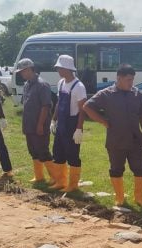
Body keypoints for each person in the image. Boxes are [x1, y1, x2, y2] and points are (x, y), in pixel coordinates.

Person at [83, 64, 142, 208]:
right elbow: (87, 107)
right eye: (128, 80)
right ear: (119, 78)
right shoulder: (106, 94)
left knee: (140, 168)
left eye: (132, 80)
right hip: (116, 140)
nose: (131, 83)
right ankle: (119, 197)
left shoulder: (136, 93)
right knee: (116, 169)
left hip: (135, 139)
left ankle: (139, 198)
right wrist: (103, 122)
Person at [16, 58, 56, 186]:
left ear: (30, 69)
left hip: (39, 124)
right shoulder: (27, 84)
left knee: (43, 150)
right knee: (33, 150)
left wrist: (40, 124)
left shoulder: (42, 85)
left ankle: (55, 177)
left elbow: (46, 106)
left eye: (23, 71)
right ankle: (39, 176)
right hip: (29, 124)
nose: (21, 74)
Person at [50, 55, 87, 192]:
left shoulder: (79, 87)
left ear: (67, 68)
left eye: (59, 68)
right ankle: (60, 182)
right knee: (58, 152)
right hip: (61, 123)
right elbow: (59, 103)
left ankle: (73, 185)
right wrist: (54, 120)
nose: (58, 70)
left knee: (72, 154)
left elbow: (83, 109)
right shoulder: (61, 83)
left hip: (72, 124)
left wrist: (79, 129)